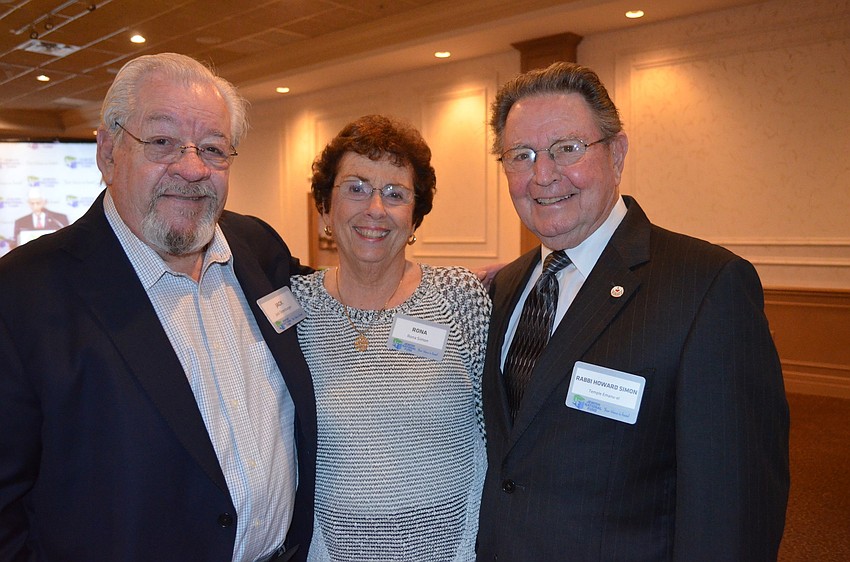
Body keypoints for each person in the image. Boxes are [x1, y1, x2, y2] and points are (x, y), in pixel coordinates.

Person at [0, 53, 316, 562]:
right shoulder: (22, 295)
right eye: (162, 142)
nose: (191, 169)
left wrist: (430, 286)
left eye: (213, 149)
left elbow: (335, 299)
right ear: (108, 152)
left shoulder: (258, 248)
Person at [476, 62, 790, 561]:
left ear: (616, 153)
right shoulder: (506, 287)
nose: (543, 175)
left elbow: (733, 506)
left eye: (567, 149)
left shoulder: (706, 285)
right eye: (522, 155)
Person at [291, 114, 490, 561]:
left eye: (395, 194)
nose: (375, 209)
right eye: (356, 188)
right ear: (324, 206)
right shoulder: (294, 311)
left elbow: (495, 431)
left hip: (456, 549)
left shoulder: (460, 297)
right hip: (329, 549)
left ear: (416, 216)